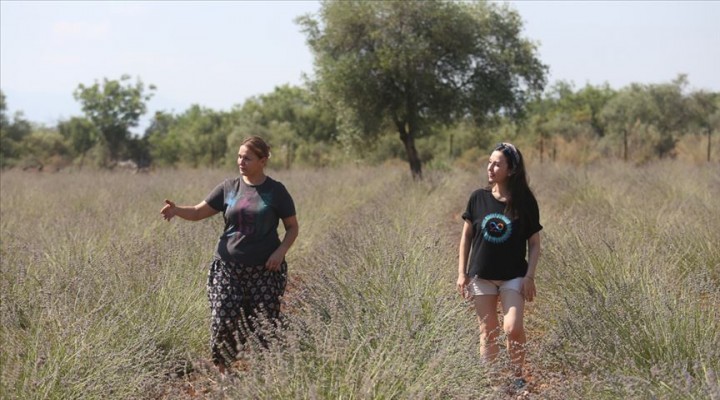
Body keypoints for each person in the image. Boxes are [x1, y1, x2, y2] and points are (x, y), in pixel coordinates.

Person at [160, 136, 299, 373]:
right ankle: (224, 373)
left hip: (265, 270)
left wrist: (280, 252)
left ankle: (263, 376)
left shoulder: (276, 191)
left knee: (263, 326)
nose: (241, 161)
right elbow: (197, 211)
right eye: (239, 156)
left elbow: (292, 227)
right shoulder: (229, 187)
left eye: (247, 157)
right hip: (227, 266)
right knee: (223, 317)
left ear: (263, 161)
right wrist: (176, 210)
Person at [456, 142, 542, 389]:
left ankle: (517, 378)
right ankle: (492, 384)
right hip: (481, 276)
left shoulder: (525, 201)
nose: (491, 168)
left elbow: (534, 243)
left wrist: (530, 276)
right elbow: (466, 237)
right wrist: (462, 273)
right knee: (488, 332)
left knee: (512, 328)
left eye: (497, 164)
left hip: (513, 276)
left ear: (511, 170)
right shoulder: (478, 198)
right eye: (489, 162)